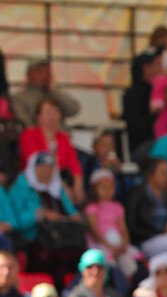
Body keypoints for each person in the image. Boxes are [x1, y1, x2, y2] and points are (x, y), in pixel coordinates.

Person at [8, 151, 87, 286]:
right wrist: (40, 214)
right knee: (49, 259)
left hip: (63, 239)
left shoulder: (57, 188)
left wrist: (75, 217)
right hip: (34, 241)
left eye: (50, 168)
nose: (46, 172)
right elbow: (15, 222)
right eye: (42, 167)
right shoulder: (19, 189)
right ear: (33, 168)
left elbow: (72, 212)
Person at [17, 96, 84, 206]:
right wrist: (61, 186)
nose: (52, 116)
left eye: (55, 112)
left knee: (77, 197)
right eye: (48, 112)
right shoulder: (29, 134)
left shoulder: (63, 138)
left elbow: (74, 164)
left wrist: (78, 186)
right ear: (38, 117)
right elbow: (36, 162)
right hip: (35, 183)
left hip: (60, 182)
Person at [84, 168, 140, 281]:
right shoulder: (91, 208)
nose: (107, 190)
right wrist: (109, 247)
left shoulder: (118, 206)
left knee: (129, 265)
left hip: (118, 245)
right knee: (110, 266)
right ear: (95, 189)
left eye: (110, 186)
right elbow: (95, 231)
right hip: (101, 244)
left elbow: (123, 229)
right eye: (103, 186)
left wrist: (124, 245)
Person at [11, 60, 80, 128]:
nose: (44, 75)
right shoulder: (18, 99)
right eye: (40, 71)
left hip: (60, 137)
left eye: (47, 72)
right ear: (29, 74)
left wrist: (52, 90)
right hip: (35, 137)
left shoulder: (55, 95)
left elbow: (73, 110)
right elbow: (24, 123)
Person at [123, 46, 162, 158]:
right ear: (146, 68)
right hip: (142, 147)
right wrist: (153, 114)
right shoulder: (133, 95)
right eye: (157, 64)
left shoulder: (158, 90)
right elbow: (136, 128)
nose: (161, 69)